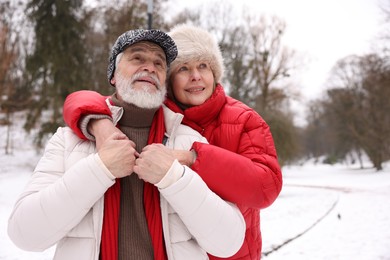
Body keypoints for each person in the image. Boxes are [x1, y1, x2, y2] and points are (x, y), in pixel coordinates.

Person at [7, 29, 246, 260]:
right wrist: (99, 169)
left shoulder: (190, 143)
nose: (150, 67)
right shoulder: (69, 140)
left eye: (159, 63)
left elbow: (229, 242)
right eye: (137, 57)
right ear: (113, 75)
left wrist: (175, 178)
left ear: (164, 82)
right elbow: (24, 235)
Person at [62, 24, 283, 259]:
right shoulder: (157, 113)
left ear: (214, 74)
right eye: (184, 69)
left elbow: (265, 186)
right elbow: (83, 99)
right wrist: (99, 123)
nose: (195, 76)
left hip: (233, 254)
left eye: (203, 66)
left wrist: (192, 158)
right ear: (169, 80)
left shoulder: (243, 119)